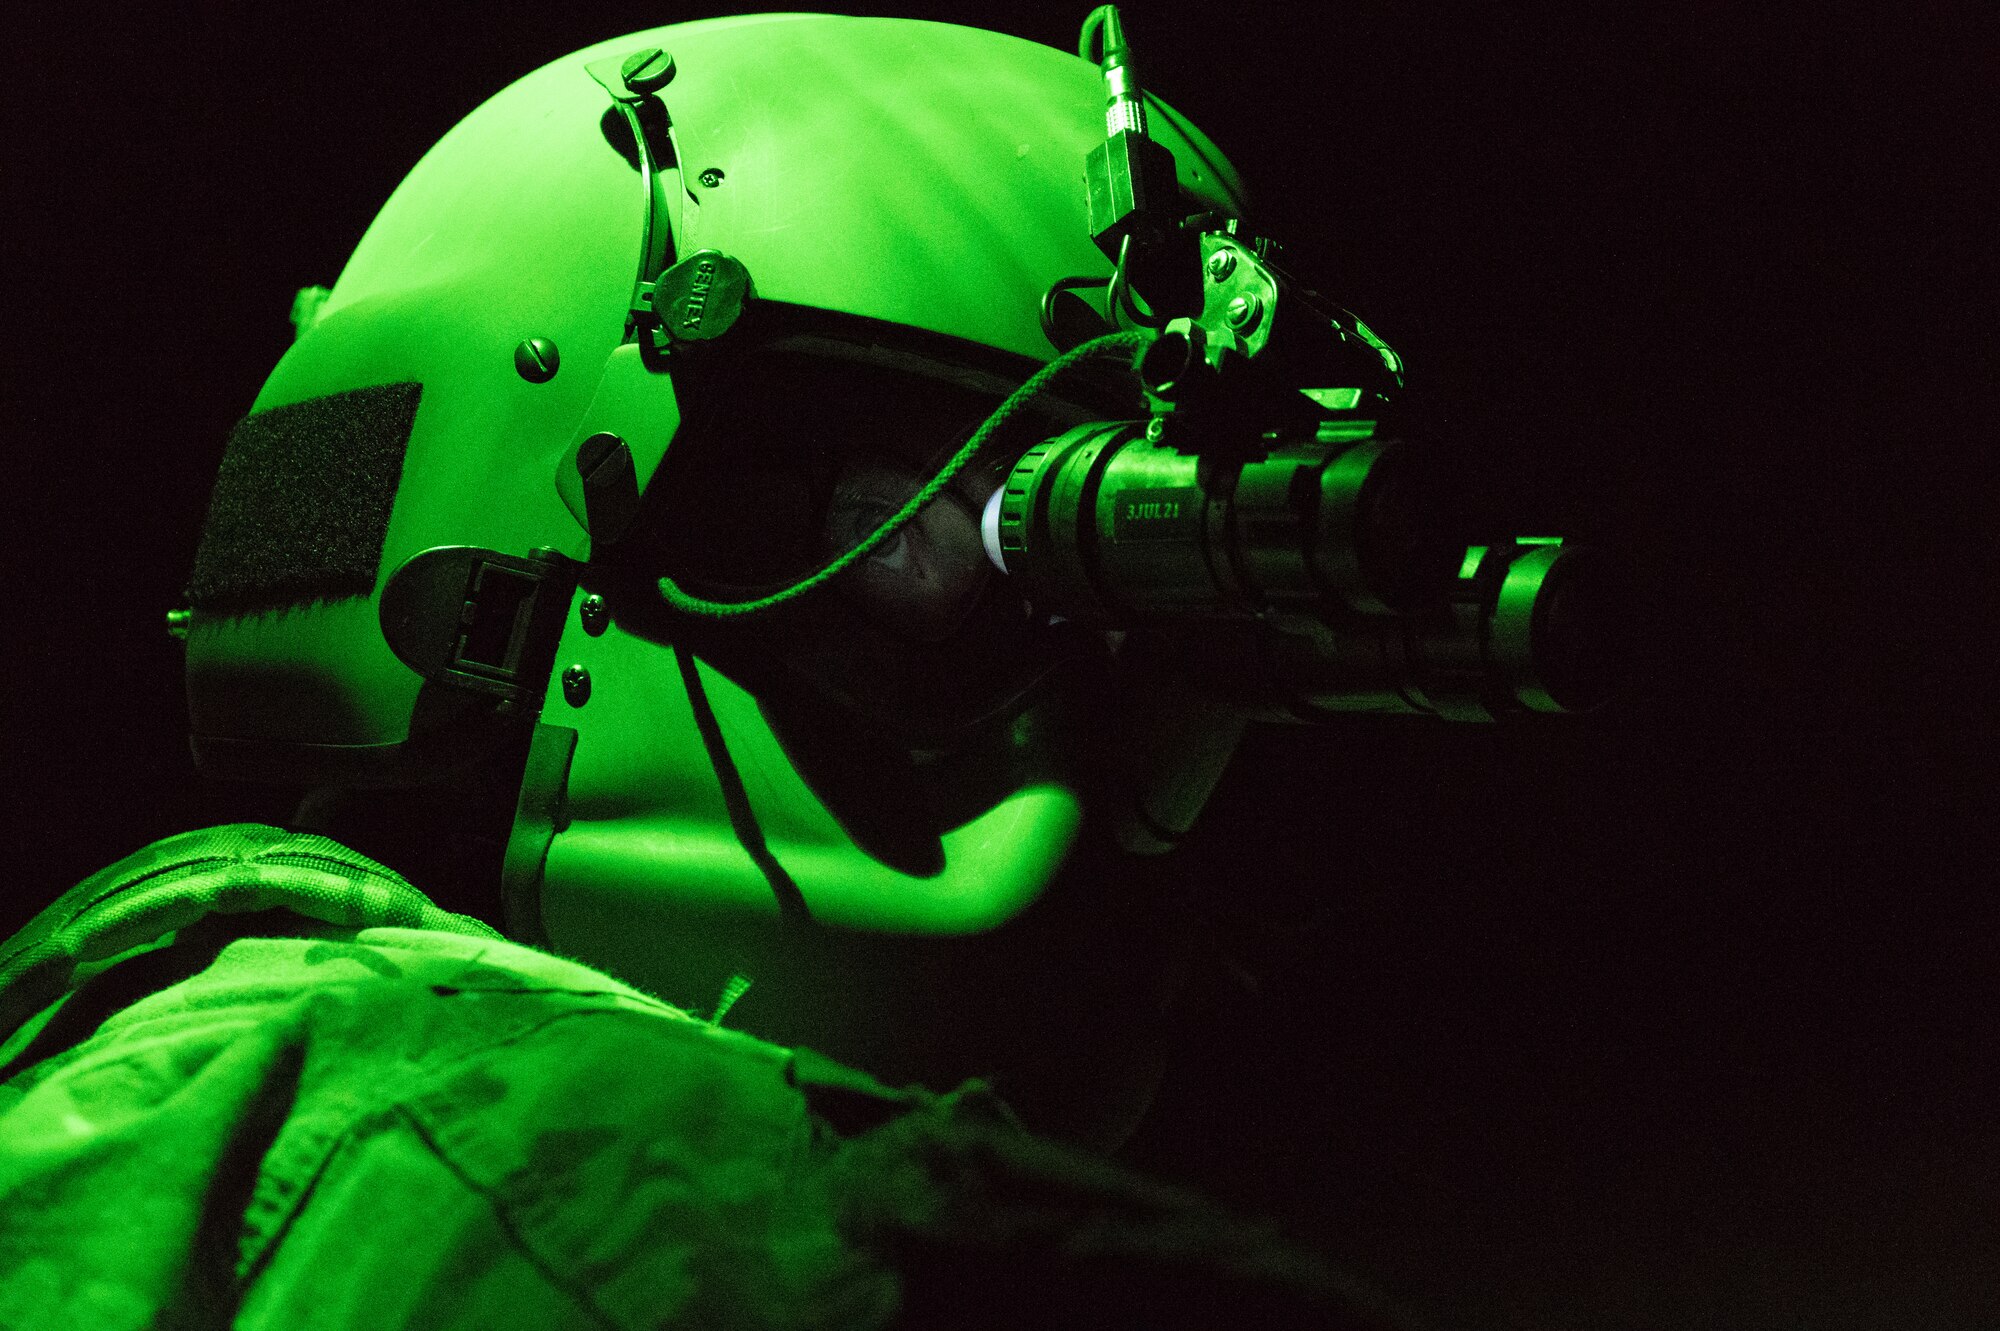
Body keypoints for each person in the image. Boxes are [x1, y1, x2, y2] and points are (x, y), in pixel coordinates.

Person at [1, 9, 1607, 1326]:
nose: (1114, 699)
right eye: (944, 530)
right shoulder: (575, 1175)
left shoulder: (142, 1088)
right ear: (535, 508)